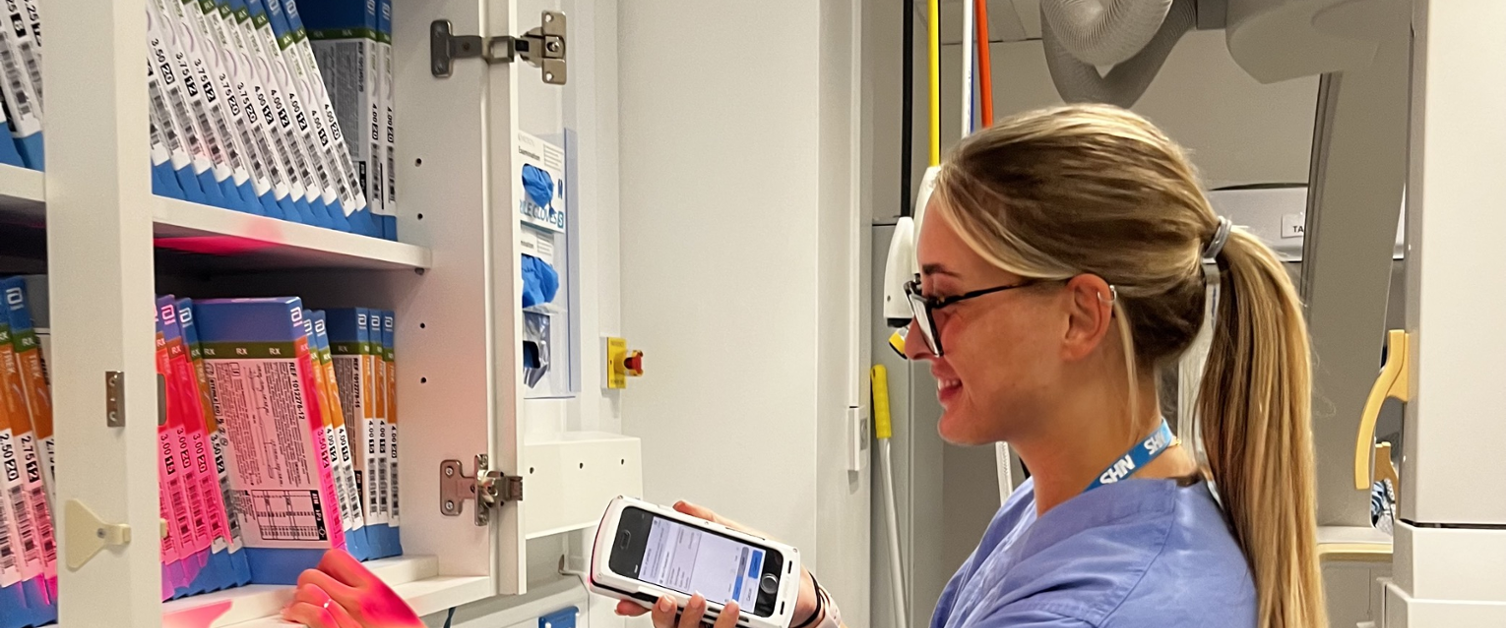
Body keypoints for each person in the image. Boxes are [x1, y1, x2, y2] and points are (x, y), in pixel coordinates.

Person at [620, 104, 1326, 628]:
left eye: (946, 299)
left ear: (1081, 314)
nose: (916, 343)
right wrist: (809, 616)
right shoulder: (1063, 499)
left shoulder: (1104, 607)